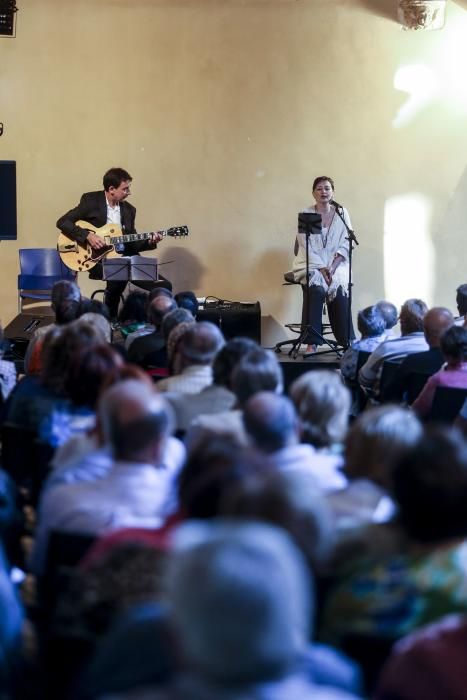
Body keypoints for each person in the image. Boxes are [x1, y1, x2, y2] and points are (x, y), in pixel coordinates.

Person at [56, 167, 170, 319]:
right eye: (125, 189)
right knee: (118, 275)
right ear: (111, 189)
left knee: (163, 285)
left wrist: (149, 241)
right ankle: (109, 321)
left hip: (124, 257)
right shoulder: (90, 201)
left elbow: (132, 242)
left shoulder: (129, 210)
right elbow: (63, 222)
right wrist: (87, 236)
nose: (129, 193)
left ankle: (154, 325)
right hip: (96, 259)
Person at [293, 176, 355, 353]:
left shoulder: (342, 213)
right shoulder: (308, 214)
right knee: (317, 290)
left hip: (336, 262)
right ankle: (311, 342)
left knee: (340, 290)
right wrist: (321, 267)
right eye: (319, 188)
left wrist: (333, 266)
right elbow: (306, 246)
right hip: (312, 262)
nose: (323, 192)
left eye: (327, 188)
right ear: (313, 193)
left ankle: (346, 341)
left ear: (333, 192)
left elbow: (346, 242)